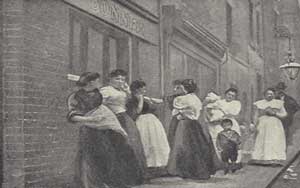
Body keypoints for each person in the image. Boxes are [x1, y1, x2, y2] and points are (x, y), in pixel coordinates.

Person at [67, 72, 143, 188]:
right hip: (89, 129)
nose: (100, 83)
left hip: (103, 129)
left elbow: (103, 110)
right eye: (97, 81)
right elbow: (72, 116)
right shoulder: (75, 97)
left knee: (108, 155)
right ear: (91, 82)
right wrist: (91, 119)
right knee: (89, 157)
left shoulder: (97, 94)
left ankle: (110, 182)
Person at [167, 79, 218, 180]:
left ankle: (185, 170)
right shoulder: (196, 98)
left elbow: (175, 112)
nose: (179, 89)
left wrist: (180, 114)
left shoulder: (181, 99)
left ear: (185, 88)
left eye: (181, 87)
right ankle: (197, 170)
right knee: (196, 147)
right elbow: (196, 112)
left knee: (183, 146)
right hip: (195, 125)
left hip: (184, 124)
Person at [100, 69, 147, 175]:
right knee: (118, 145)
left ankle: (132, 174)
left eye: (122, 79)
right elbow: (100, 105)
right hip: (114, 119)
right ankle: (118, 176)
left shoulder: (123, 91)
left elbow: (131, 105)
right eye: (117, 79)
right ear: (110, 79)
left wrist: (128, 92)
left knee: (132, 144)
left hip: (125, 119)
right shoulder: (106, 90)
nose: (120, 81)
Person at [127, 80, 170, 168]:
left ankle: (156, 164)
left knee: (155, 141)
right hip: (142, 121)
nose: (144, 91)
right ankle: (146, 164)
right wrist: (141, 100)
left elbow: (159, 102)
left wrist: (149, 99)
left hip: (152, 121)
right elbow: (138, 111)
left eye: (144, 89)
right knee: (146, 141)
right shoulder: (133, 99)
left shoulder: (144, 97)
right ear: (136, 89)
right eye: (142, 89)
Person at [250, 88, 287, 166]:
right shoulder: (259, 103)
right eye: (268, 94)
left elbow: (284, 114)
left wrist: (275, 114)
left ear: (274, 95)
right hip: (263, 123)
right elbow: (256, 115)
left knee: (274, 139)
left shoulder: (278, 103)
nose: (270, 95)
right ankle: (260, 158)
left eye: (271, 94)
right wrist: (254, 123)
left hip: (275, 124)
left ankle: (274, 158)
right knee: (262, 138)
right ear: (264, 95)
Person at [204, 88, 242, 161]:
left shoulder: (236, 103)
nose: (230, 97)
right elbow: (209, 108)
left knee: (232, 140)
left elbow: (233, 113)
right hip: (219, 123)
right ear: (225, 94)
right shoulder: (219, 102)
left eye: (232, 96)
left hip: (231, 123)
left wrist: (221, 109)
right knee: (219, 141)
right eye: (229, 94)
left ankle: (234, 160)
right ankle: (220, 160)